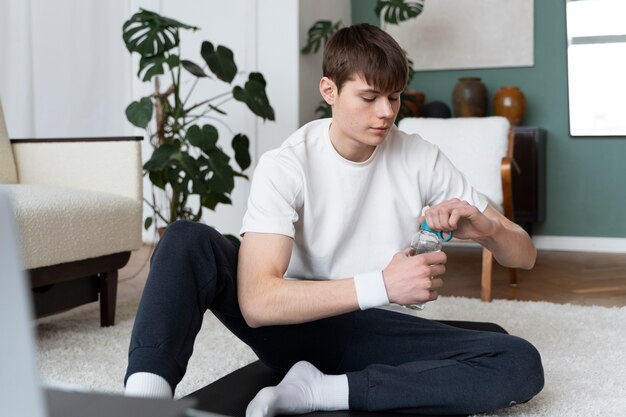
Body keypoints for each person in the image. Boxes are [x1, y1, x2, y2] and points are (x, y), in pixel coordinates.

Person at [124, 23, 544, 416]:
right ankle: (142, 403)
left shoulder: (420, 157)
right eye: (369, 97)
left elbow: (524, 256)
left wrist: (489, 231)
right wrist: (383, 284)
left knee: (517, 360)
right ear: (329, 89)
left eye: (394, 97)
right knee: (185, 238)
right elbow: (256, 303)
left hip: (379, 333)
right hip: (297, 326)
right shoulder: (287, 165)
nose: (385, 113)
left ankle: (317, 391)